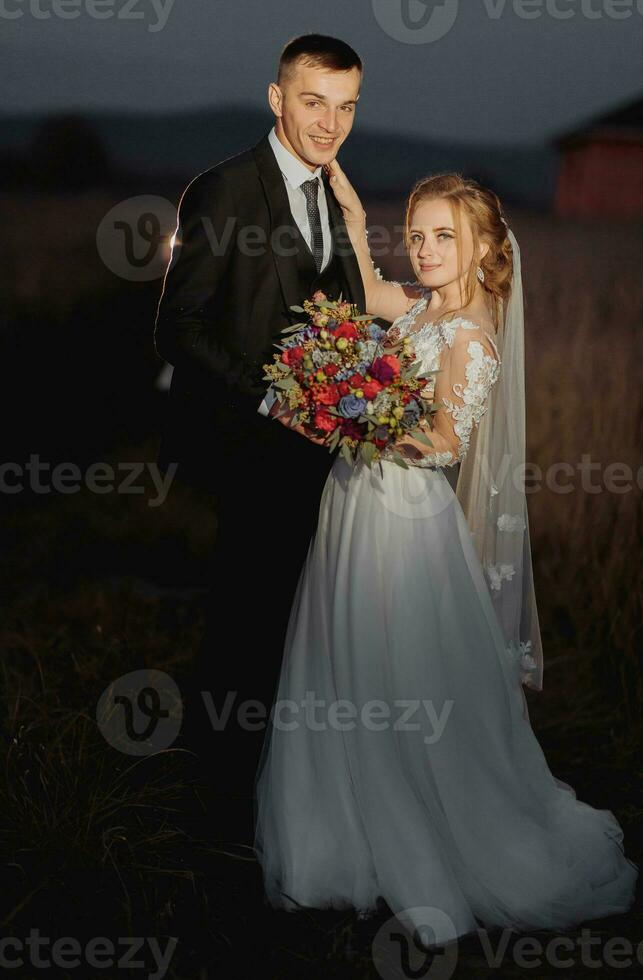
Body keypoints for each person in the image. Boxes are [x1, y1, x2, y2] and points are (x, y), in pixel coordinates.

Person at [253, 166, 638, 941]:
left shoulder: (472, 337)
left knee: (400, 674)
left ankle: (432, 842)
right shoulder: (420, 313)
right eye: (418, 236)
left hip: (404, 520)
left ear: (481, 249)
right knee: (342, 663)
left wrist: (346, 420)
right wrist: (359, 220)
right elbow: (367, 290)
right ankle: (338, 842)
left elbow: (444, 442)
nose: (424, 250)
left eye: (443, 238)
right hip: (353, 510)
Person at [153, 36, 366, 805]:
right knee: (247, 610)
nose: (329, 124)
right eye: (314, 102)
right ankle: (215, 789)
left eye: (346, 107)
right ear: (277, 99)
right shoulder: (224, 189)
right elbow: (179, 327)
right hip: (247, 439)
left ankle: (281, 777)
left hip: (323, 448)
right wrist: (272, 399)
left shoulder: (337, 194)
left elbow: (344, 313)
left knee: (298, 612)